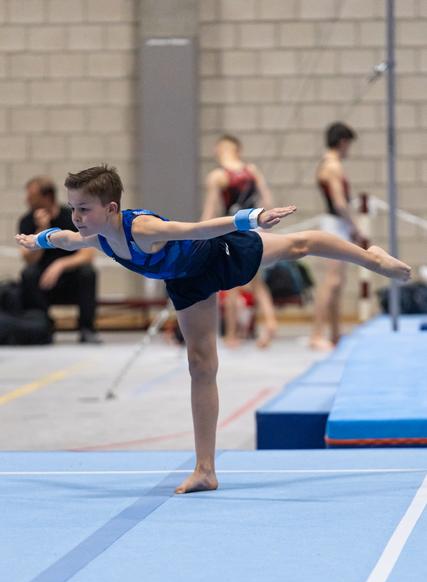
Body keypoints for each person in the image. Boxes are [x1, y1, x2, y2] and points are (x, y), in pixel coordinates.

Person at [15, 165, 411, 494]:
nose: (76, 218)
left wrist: (250, 219)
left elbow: (197, 229)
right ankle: (206, 468)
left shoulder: (144, 230)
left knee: (298, 245)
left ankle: (372, 260)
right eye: (73, 209)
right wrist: (38, 240)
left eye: (83, 209)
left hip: (218, 254)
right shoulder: (98, 236)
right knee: (201, 365)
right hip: (188, 283)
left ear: (111, 207)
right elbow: (64, 239)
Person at [201, 134, 277, 348]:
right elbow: (268, 201)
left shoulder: (217, 176)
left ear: (218, 151)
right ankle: (270, 322)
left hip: (233, 228)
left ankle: (232, 334)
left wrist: (198, 235)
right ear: (238, 151)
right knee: (257, 281)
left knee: (232, 283)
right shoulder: (251, 170)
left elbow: (209, 211)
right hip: (255, 226)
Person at [18, 176, 101, 343]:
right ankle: (42, 327)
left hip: (70, 277)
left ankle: (86, 329)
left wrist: (60, 264)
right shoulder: (27, 221)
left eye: (31, 196)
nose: (27, 199)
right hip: (43, 280)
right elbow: (28, 258)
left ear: (46, 197)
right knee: (28, 274)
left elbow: (88, 254)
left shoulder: (71, 217)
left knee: (88, 272)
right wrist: (42, 229)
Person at [310, 122, 364, 350]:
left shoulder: (328, 163)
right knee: (332, 281)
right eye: (349, 144)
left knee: (338, 282)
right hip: (335, 224)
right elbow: (340, 203)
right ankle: (316, 334)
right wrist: (355, 227)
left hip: (336, 224)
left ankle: (335, 333)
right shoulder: (333, 166)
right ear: (343, 142)